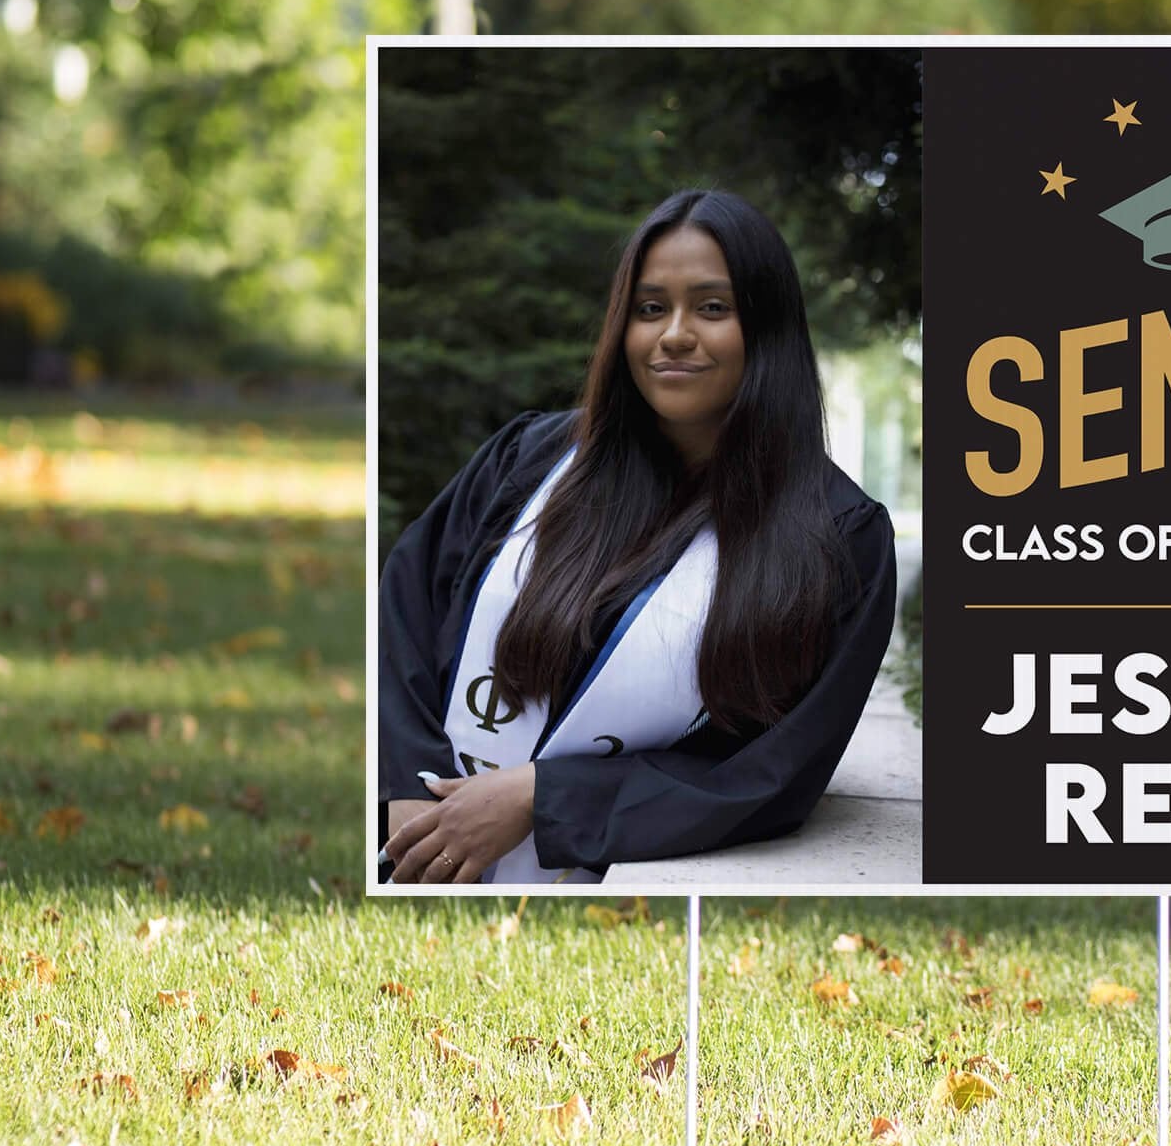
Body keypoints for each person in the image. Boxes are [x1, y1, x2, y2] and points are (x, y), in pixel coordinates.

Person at [377, 188, 898, 886]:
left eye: (712, 308)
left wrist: (544, 798)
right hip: (412, 852)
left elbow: (774, 771)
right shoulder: (530, 460)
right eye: (651, 308)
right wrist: (407, 786)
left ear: (767, 327)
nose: (673, 334)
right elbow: (404, 617)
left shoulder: (836, 538)